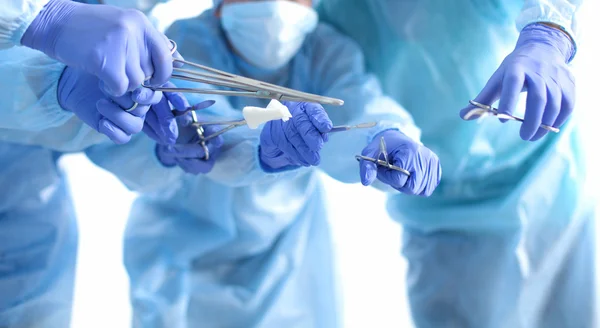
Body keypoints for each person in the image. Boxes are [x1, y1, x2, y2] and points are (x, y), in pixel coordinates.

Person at [82, 0, 441, 326]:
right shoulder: (180, 46)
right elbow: (193, 130)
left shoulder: (326, 52)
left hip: (286, 258)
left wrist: (386, 137)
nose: (274, 6)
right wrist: (174, 151)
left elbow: (357, 107)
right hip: (180, 255)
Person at [318, 1, 595, 327]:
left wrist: (548, 31)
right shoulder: (336, 13)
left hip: (554, 184)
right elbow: (346, 91)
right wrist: (382, 134)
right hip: (444, 224)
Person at [0, 1, 187, 326]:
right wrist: (35, 17)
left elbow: (104, 138)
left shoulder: (131, 21)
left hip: (22, 210)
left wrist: (57, 85)